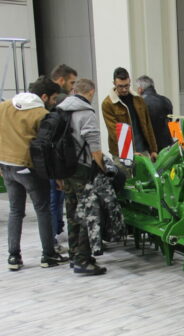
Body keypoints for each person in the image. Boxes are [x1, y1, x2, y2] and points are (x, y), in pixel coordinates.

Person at [0, 76, 68, 271]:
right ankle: (48, 254)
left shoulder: (4, 106)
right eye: (53, 98)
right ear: (44, 96)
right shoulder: (41, 114)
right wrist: (57, 175)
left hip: (6, 165)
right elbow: (46, 148)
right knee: (43, 209)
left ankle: (14, 256)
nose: (54, 103)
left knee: (15, 211)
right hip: (28, 167)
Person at [57, 78, 108, 275]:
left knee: (71, 212)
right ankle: (83, 259)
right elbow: (94, 147)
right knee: (88, 212)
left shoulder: (60, 110)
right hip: (82, 169)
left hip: (65, 169)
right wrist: (103, 168)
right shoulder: (86, 112)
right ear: (91, 92)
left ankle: (74, 255)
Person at [101, 67, 158, 165]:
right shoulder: (108, 104)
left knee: (146, 175)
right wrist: (130, 152)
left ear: (130, 81)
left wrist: (153, 149)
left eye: (126, 85)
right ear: (114, 83)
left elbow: (148, 125)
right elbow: (114, 131)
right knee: (125, 175)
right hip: (122, 154)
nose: (124, 89)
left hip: (143, 150)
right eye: (120, 86)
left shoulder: (139, 100)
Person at [49, 64, 78, 248]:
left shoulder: (50, 99)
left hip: (51, 158)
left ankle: (56, 230)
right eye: (72, 82)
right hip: (56, 159)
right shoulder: (60, 101)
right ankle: (52, 236)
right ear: (61, 80)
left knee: (56, 198)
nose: (73, 86)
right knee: (55, 198)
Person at [136, 75, 174, 151]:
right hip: (167, 145)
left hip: (149, 147)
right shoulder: (166, 100)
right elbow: (170, 121)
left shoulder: (140, 103)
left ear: (140, 89)